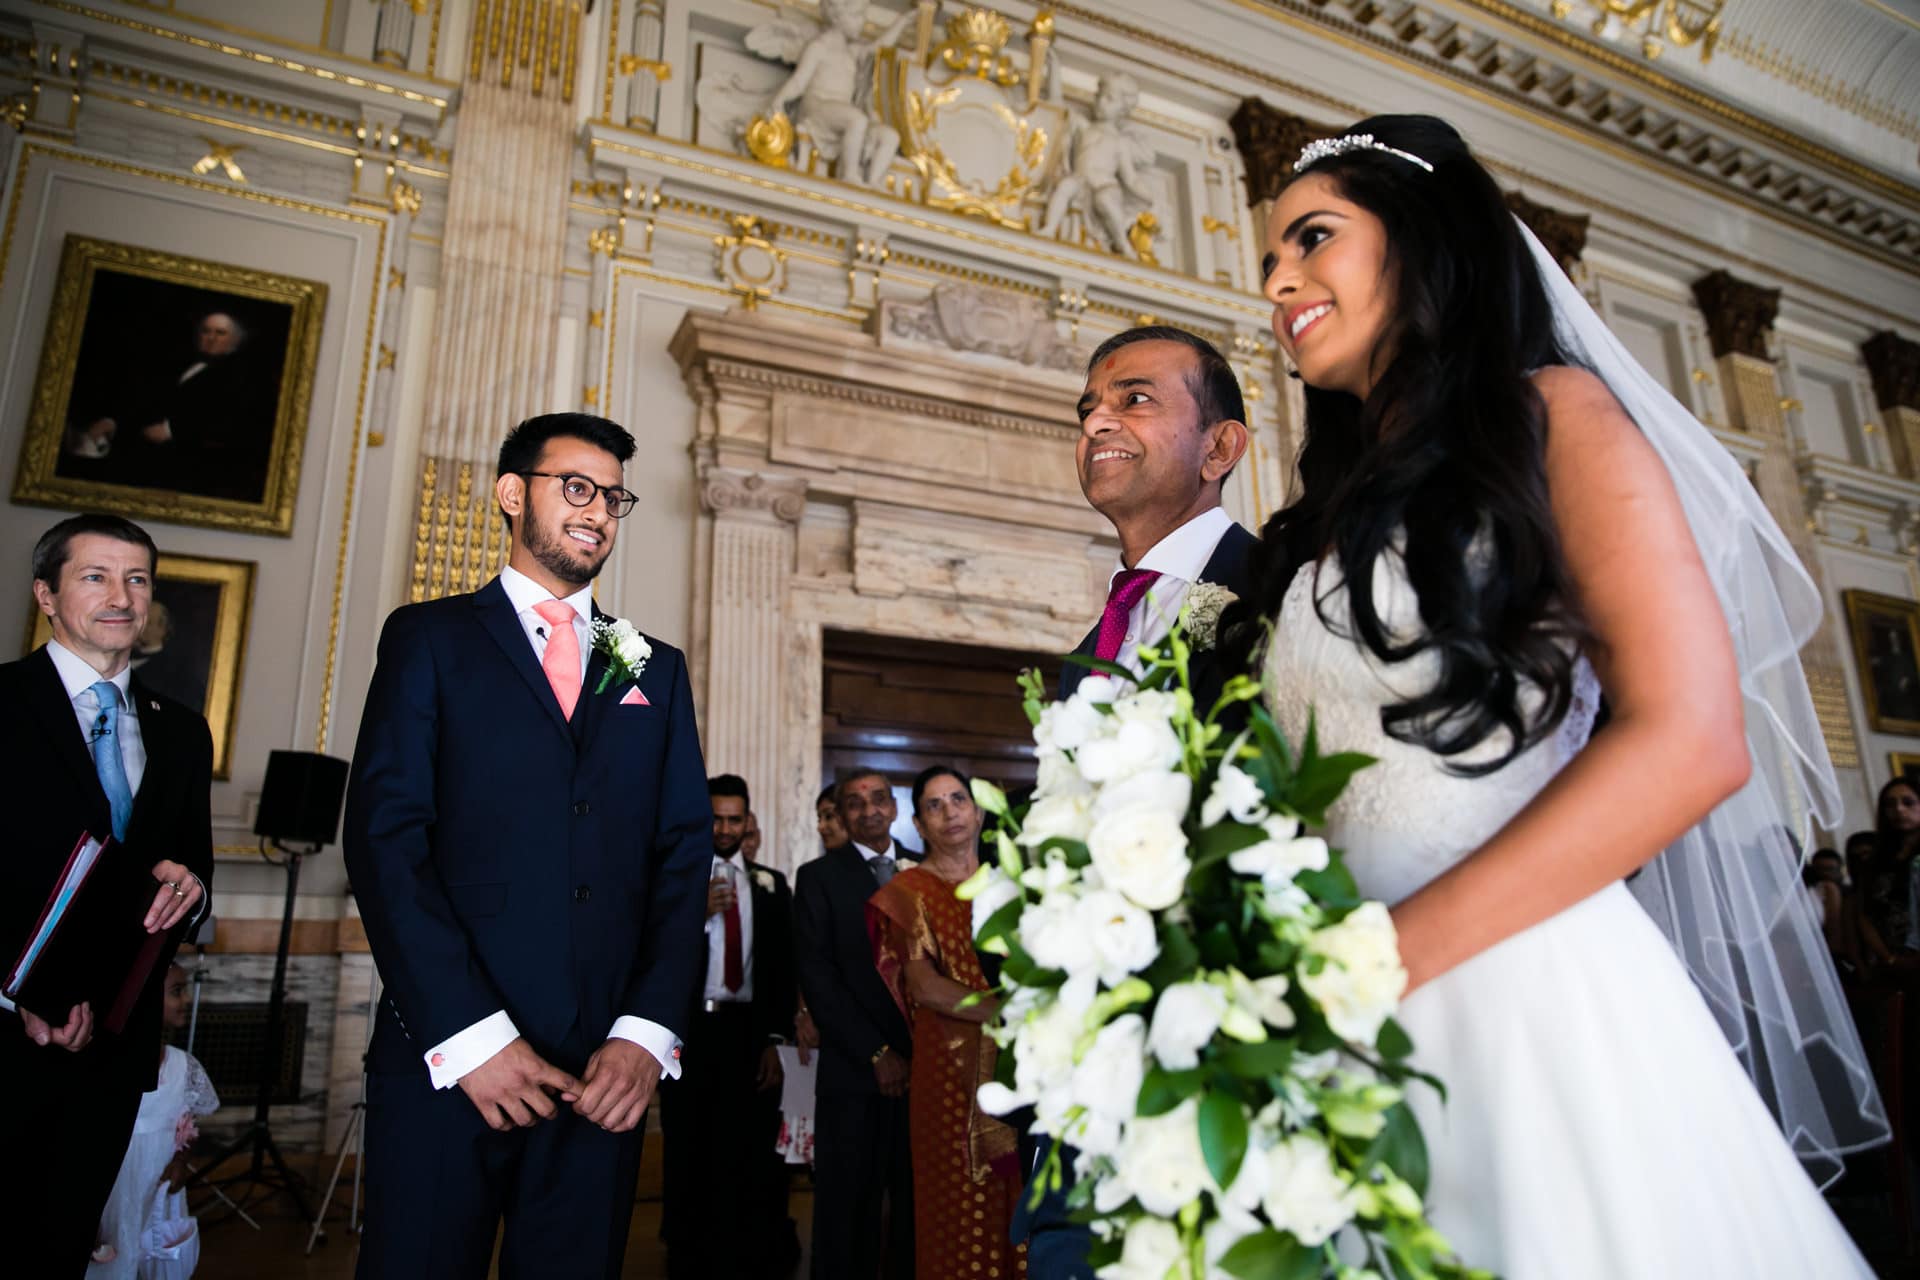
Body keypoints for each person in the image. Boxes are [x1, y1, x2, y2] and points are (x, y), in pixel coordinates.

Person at [1241, 114, 1878, 1276]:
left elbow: (1691, 739)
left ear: (1424, 239)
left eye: (1312, 238)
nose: (1279, 279)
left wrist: (1385, 957)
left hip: (1517, 998)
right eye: (1270, 260)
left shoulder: (1555, 417)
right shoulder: (1335, 516)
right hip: (1339, 1015)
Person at [343, 412, 713, 1280]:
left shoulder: (650, 665)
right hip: (451, 1053)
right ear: (513, 495)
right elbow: (386, 838)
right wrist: (472, 1036)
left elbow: (681, 853)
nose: (598, 513)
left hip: (603, 1071)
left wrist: (644, 1033)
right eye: (575, 488)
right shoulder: (429, 638)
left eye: (613, 498)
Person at [1019, 325, 1256, 1278]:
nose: (1097, 422)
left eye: (1134, 399)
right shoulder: (1095, 641)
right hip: (1083, 1072)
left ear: (1221, 448)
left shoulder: (1272, 594)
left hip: (1207, 1077)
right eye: (1088, 409)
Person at [0, 513, 212, 1279]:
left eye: (137, 579)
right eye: (95, 576)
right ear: (46, 596)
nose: (121, 596)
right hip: (7, 1035)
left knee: (65, 1248)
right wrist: (20, 996)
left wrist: (189, 888)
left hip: (116, 1045)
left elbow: (196, 876)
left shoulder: (184, 733)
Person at [869, 767, 1026, 1280]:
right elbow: (926, 987)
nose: (950, 811)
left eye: (959, 799)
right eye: (934, 805)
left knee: (1024, 1196)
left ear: (978, 812)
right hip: (948, 1077)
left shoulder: (1014, 883)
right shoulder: (910, 890)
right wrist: (1011, 1014)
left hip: (1022, 1068)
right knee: (957, 1205)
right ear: (918, 823)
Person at [661, 776, 797, 1280]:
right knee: (689, 1140)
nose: (724, 828)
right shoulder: (677, 881)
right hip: (692, 1031)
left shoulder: (770, 883)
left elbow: (783, 970)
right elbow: (653, 957)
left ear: (747, 822)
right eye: (716, 818)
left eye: (733, 819)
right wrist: (694, 917)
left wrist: (776, 1040)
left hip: (749, 1033)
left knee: (751, 1143)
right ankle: (685, 1247)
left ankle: (750, 1245)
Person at [792, 770, 916, 1280]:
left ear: (893, 807)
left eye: (878, 799)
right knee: (848, 1211)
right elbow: (818, 976)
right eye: (854, 803)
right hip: (853, 1071)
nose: (868, 810)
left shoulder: (925, 869)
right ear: (841, 815)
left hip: (924, 1071)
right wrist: (876, 1052)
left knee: (915, 1204)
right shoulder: (818, 877)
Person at [91, 962, 220, 1277]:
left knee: (153, 1256)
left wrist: (181, 1161)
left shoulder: (183, 1066)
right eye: (176, 992)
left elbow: (187, 1126)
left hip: (156, 1189)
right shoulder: (104, 1066)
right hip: (114, 1187)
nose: (186, 1000)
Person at [1857, 777, 1920, 974]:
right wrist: (1889, 958)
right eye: (1890, 804)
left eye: (1908, 802)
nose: (1899, 810)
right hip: (1892, 959)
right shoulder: (1877, 860)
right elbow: (1865, 912)